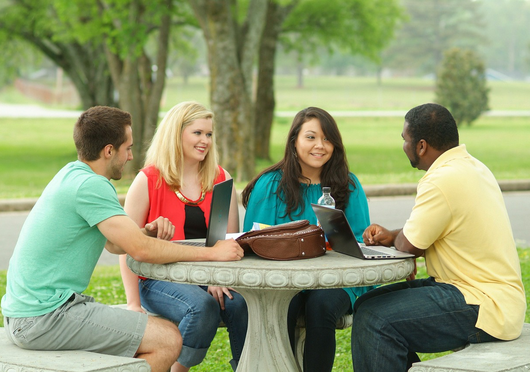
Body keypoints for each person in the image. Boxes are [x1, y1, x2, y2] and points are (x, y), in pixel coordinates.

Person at [1, 106, 244, 372]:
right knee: (166, 340)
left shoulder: (73, 174)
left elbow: (117, 243)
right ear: (108, 151)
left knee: (164, 335)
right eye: (127, 148)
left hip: (33, 312)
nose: (130, 156)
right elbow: (140, 252)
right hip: (45, 317)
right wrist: (212, 253)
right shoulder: (92, 186)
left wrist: (144, 233)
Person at [351, 103, 526, 372]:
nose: (403, 146)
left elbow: (410, 245)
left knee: (376, 319)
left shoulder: (441, 179)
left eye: (405, 140)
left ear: (421, 146)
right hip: (489, 296)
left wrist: (398, 238)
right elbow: (431, 230)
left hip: (484, 304)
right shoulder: (472, 167)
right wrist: (393, 235)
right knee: (367, 305)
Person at [241, 106, 374, 372]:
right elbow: (254, 241)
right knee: (282, 307)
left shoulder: (348, 185)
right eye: (311, 137)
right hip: (281, 280)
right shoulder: (270, 185)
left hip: (335, 280)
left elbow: (359, 242)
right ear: (294, 141)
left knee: (321, 305)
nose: (320, 146)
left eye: (327, 139)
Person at [119, 101, 248, 372]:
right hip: (157, 279)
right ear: (176, 133)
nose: (205, 141)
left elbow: (230, 241)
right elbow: (126, 246)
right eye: (197, 133)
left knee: (239, 305)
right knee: (202, 307)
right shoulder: (148, 180)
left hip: (208, 277)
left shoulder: (221, 179)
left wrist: (218, 277)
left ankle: (245, 367)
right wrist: (132, 303)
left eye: (209, 134)